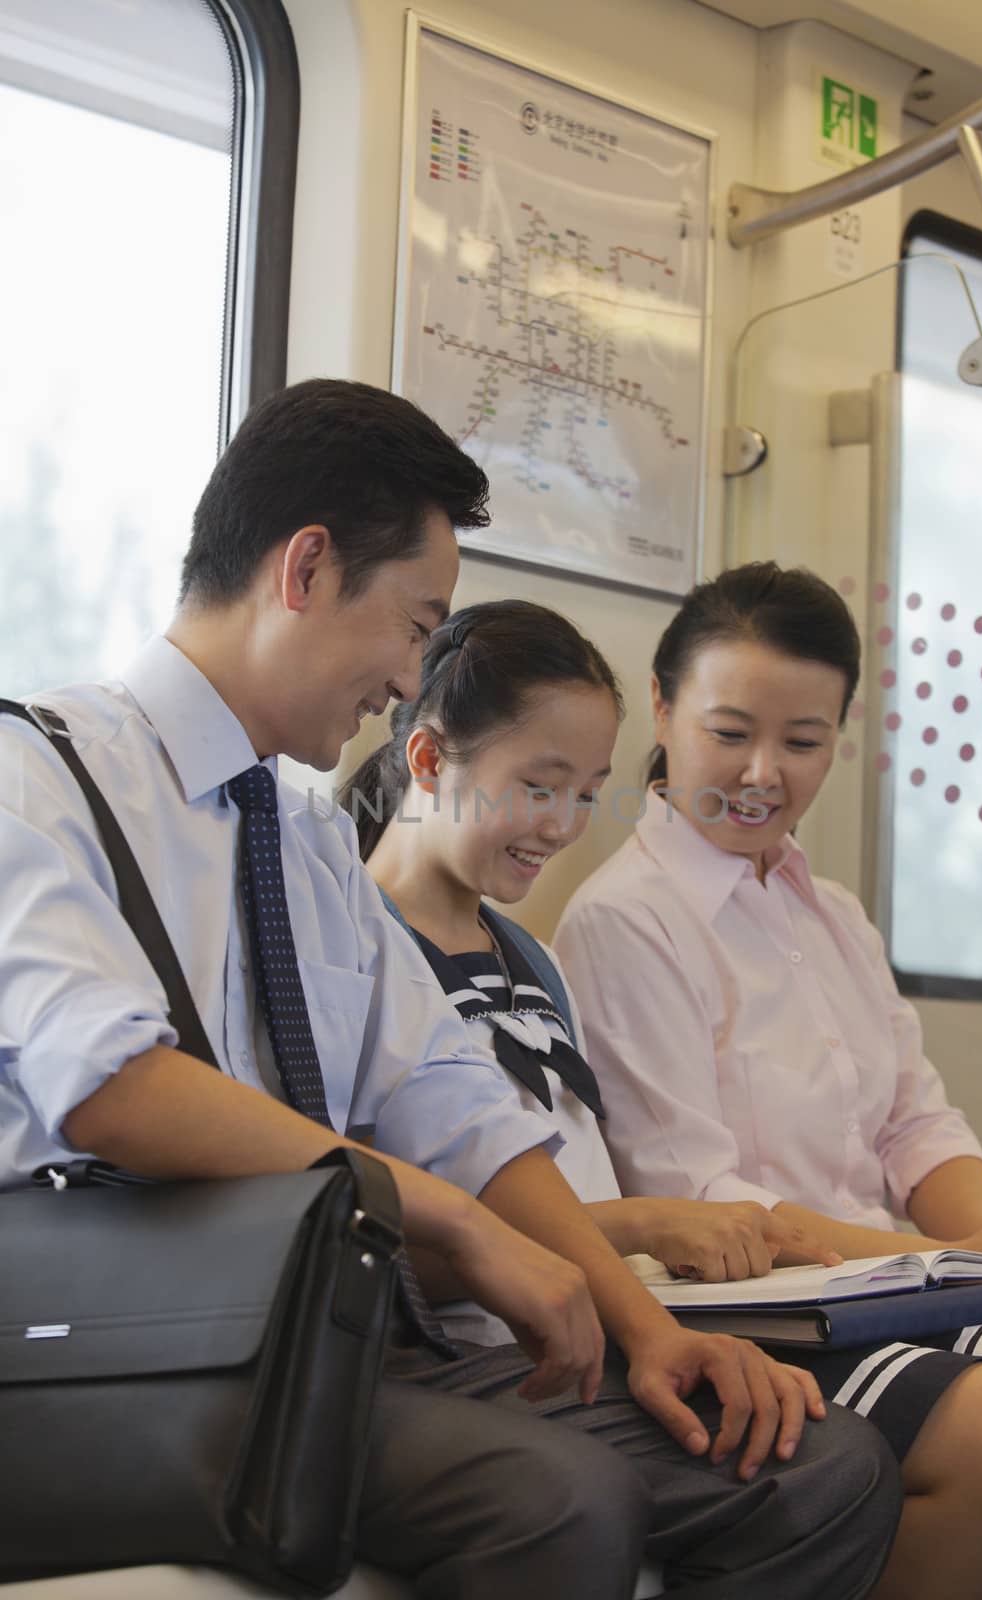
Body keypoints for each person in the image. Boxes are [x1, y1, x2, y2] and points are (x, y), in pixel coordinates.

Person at [0, 390, 899, 1600]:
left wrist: (647, 1327)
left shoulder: (309, 847)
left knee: (815, 1467)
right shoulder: (35, 775)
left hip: (327, 1338)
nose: (412, 674)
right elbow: (109, 1082)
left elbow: (454, 1098)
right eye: (415, 624)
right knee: (559, 1503)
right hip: (130, 1350)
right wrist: (460, 1228)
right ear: (307, 568)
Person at [346, 595, 982, 1600]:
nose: (562, 825)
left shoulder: (531, 959)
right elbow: (468, 1216)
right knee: (904, 1453)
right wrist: (939, 1260)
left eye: (584, 790)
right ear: (429, 764)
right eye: (539, 785)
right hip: (553, 1324)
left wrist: (974, 1249)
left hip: (618, 1307)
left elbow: (913, 1116)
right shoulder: (372, 946)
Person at [553, 561, 982, 1600]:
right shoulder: (625, 919)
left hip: (886, 1279)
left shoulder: (828, 910)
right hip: (755, 1305)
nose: (760, 774)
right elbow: (704, 1201)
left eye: (800, 742)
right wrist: (953, 1261)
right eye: (729, 732)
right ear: (660, 705)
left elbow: (914, 1123)